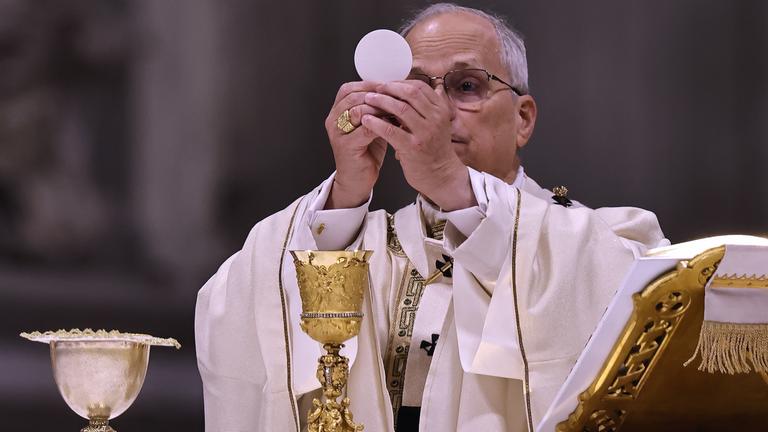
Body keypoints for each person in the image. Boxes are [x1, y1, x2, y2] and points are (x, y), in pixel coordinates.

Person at [195, 3, 667, 431]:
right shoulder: (357, 236)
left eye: (466, 87)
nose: (436, 110)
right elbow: (236, 306)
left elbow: (648, 311)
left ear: (523, 118)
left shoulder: (598, 239)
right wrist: (345, 193)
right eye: (416, 89)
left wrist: (449, 180)